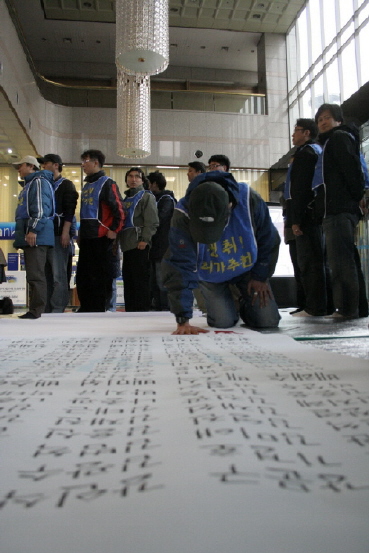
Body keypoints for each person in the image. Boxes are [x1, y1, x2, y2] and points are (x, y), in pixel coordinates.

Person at [162, 170, 281, 334]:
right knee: (222, 322)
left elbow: (269, 238)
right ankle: (226, 305)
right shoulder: (183, 213)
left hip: (247, 269)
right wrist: (183, 319)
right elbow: (179, 265)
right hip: (211, 273)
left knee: (268, 321)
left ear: (229, 207)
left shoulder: (249, 199)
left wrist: (260, 275)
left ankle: (241, 302)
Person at [313, 104, 367, 319]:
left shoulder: (338, 138)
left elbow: (353, 171)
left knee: (341, 263)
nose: (323, 122)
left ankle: (346, 309)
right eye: (319, 120)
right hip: (337, 208)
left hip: (339, 209)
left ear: (338, 121)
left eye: (327, 118)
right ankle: (358, 308)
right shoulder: (332, 142)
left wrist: (354, 199)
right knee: (347, 260)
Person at [284, 119, 333, 317]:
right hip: (311, 214)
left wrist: (296, 219)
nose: (293, 135)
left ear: (306, 133)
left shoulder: (307, 153)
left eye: (296, 131)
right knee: (312, 262)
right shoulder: (313, 151)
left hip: (307, 215)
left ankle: (315, 307)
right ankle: (317, 305)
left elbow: (301, 188)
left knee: (310, 263)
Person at [76, 149, 125, 312]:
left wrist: (114, 230)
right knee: (83, 277)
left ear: (96, 163)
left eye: (86, 161)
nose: (83, 165)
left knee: (100, 279)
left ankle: (99, 311)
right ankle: (86, 308)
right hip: (87, 239)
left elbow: (120, 210)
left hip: (102, 238)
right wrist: (80, 235)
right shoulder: (86, 186)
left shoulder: (107, 183)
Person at [12, 155, 55, 319]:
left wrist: (33, 230)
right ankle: (35, 309)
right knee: (34, 274)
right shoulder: (32, 183)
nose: (18, 169)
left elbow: (41, 209)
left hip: (37, 236)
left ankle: (37, 310)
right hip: (35, 235)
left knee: (36, 274)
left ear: (31, 166)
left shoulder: (37, 182)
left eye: (20, 165)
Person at [39, 153, 79, 313]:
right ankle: (46, 308)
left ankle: (58, 308)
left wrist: (66, 232)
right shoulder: (44, 185)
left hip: (58, 234)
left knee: (59, 275)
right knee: (46, 275)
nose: (43, 166)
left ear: (56, 165)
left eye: (46, 163)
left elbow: (70, 210)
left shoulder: (66, 185)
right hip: (45, 235)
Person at [119, 167, 159, 312]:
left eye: (137, 177)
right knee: (129, 281)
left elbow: (152, 221)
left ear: (142, 180)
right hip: (126, 245)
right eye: (130, 176)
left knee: (140, 281)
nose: (133, 179)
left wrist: (145, 240)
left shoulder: (146, 197)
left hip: (139, 244)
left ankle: (142, 311)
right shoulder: (126, 199)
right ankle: (130, 311)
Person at [147, 171, 177, 310]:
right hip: (154, 247)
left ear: (154, 184)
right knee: (153, 281)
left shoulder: (166, 199)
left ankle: (165, 307)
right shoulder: (154, 198)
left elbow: (159, 219)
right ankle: (158, 305)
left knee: (161, 280)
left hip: (163, 246)